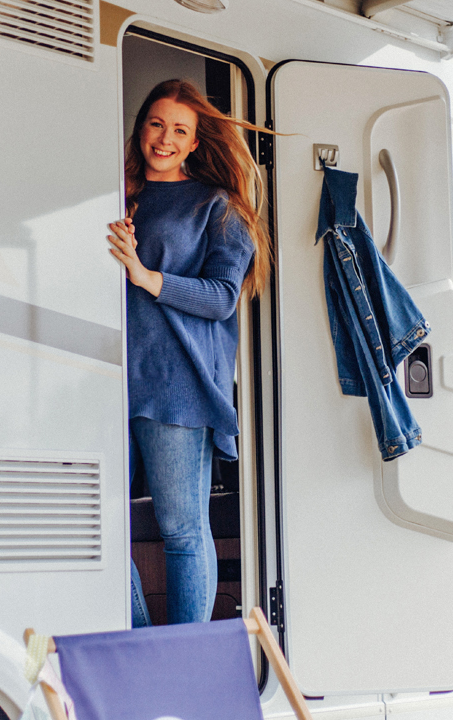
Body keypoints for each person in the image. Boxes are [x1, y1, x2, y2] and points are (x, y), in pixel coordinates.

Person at [107, 80, 271, 626]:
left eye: (180, 130)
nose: (165, 138)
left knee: (181, 531)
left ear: (197, 142)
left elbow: (223, 298)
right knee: (100, 527)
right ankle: (142, 641)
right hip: (105, 383)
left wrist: (145, 275)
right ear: (141, 128)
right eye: (157, 124)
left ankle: (183, 658)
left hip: (177, 387)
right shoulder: (118, 195)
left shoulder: (216, 206)